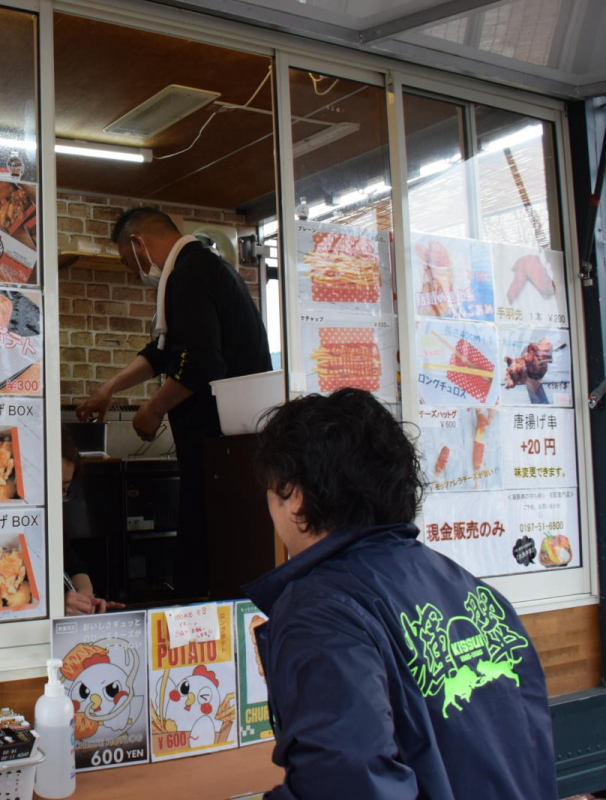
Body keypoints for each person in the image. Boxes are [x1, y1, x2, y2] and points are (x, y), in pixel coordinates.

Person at [244, 389, 556, 800]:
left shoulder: (319, 612)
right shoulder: (476, 595)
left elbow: (348, 785)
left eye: (270, 492)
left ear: (295, 498)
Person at [76, 207, 271, 597]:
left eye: (127, 261)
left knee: (209, 559)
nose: (133, 271)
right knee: (205, 549)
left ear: (138, 243)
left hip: (223, 448)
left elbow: (202, 361)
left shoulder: (190, 273)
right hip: (223, 449)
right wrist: (110, 387)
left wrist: (153, 408)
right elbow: (164, 352)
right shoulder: (196, 269)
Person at [60, 433, 123, 616]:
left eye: (64, 489)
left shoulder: (52, 529)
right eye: (47, 488)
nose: (56, 500)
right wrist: (55, 605)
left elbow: (75, 568)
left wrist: (85, 601)